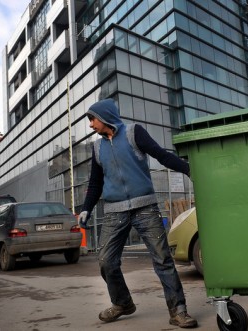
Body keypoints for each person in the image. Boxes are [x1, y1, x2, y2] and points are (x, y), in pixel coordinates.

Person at [78, 99, 197, 328]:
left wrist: (188, 169)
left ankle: (178, 311)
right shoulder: (97, 147)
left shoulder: (134, 133)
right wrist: (86, 209)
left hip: (145, 207)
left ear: (103, 117)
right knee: (106, 261)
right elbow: (95, 183)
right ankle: (122, 303)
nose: (91, 125)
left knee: (162, 260)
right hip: (114, 211)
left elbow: (162, 155)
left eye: (92, 119)